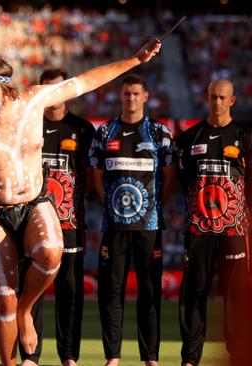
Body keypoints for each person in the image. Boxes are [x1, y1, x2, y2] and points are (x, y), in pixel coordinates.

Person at [0, 40, 162, 366]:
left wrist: (134, 59)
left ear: (8, 88)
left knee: (50, 253)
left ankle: (26, 311)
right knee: (3, 298)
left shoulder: (35, 100)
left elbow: (87, 81)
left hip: (34, 200)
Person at [175, 79, 252, 366]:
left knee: (236, 295)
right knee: (194, 294)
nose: (217, 102)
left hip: (233, 231)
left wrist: (238, 216)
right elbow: (183, 180)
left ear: (232, 101)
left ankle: (237, 355)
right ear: (206, 98)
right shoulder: (190, 137)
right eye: (213, 97)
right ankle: (190, 358)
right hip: (198, 230)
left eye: (222, 97)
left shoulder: (246, 137)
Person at [88, 75, 174, 366]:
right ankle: (113, 356)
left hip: (149, 227)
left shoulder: (158, 132)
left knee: (150, 292)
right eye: (126, 94)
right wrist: (107, 203)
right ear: (120, 96)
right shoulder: (105, 132)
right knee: (111, 293)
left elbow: (170, 174)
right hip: (114, 227)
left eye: (136, 94)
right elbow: (96, 173)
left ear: (146, 96)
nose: (131, 99)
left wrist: (155, 207)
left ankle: (150, 357)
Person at [18, 68, 95, 366]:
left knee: (70, 291)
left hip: (70, 223)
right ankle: (30, 356)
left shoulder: (83, 129)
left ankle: (69, 356)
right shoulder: (28, 126)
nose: (52, 96)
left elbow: (90, 178)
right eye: (47, 89)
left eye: (58, 89)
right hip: (32, 223)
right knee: (31, 291)